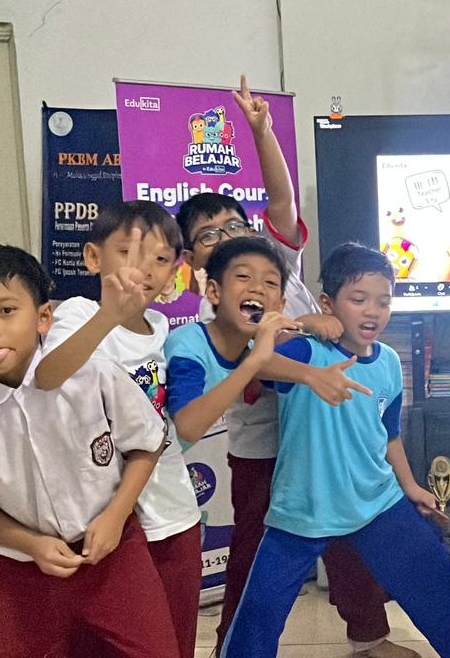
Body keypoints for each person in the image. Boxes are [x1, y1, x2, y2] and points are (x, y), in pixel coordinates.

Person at [176, 76, 414, 658]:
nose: (226, 239)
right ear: (194, 263)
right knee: (255, 554)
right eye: (208, 236)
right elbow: (260, 358)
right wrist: (309, 326)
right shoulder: (211, 311)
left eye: (234, 226)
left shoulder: (277, 264)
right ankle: (234, 648)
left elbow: (281, 202)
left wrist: (261, 131)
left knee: (354, 541)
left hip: (333, 437)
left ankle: (369, 637)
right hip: (267, 451)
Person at [222, 243, 450, 658]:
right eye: (359, 300)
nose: (373, 312)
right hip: (303, 510)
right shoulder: (306, 351)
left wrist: (412, 488)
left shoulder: (389, 362)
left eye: (383, 302)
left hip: (376, 502)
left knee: (430, 571)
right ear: (329, 304)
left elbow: (389, 435)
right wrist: (304, 324)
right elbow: (251, 360)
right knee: (259, 611)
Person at [0, 244, 178, 657]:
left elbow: (146, 445)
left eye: (6, 311)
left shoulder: (93, 375)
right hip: (17, 569)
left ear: (43, 317)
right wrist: (31, 544)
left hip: (113, 554)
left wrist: (116, 515)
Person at [34, 200, 203, 658]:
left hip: (172, 513)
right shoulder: (78, 314)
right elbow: (47, 377)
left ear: (175, 272)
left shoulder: (164, 329)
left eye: (159, 258)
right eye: (127, 252)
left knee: (173, 641)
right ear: (93, 258)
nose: (143, 268)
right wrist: (109, 315)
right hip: (103, 524)